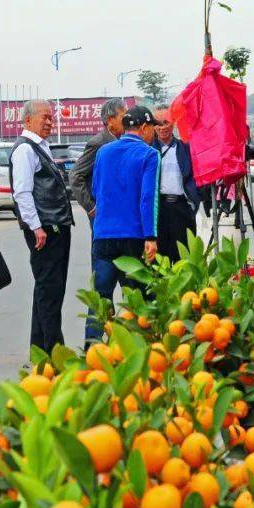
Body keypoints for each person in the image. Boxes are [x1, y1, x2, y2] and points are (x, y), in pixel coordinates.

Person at [86, 106, 160, 341]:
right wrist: (151, 236)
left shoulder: (104, 152)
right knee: (136, 300)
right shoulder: (149, 154)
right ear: (145, 128)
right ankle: (135, 349)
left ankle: (92, 351)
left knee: (100, 299)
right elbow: (149, 198)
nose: (154, 134)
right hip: (133, 237)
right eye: (153, 129)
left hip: (103, 236)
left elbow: (96, 189)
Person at [10, 100, 74, 353]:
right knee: (50, 293)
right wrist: (36, 227)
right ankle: (53, 352)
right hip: (46, 229)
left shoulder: (40, 146)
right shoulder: (25, 150)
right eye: (44, 118)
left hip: (54, 225)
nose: (50, 122)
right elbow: (22, 193)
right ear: (27, 121)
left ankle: (40, 349)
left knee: (47, 290)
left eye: (51, 117)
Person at [152, 106, 200, 262]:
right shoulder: (149, 150)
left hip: (182, 209)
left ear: (172, 123)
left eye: (165, 122)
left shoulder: (185, 148)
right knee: (161, 261)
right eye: (158, 123)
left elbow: (196, 176)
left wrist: (193, 202)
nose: (162, 127)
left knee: (184, 258)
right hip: (159, 211)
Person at [71, 98, 126, 223]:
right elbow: (75, 175)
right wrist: (90, 207)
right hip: (104, 212)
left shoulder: (122, 140)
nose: (127, 121)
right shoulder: (98, 143)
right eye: (123, 117)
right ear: (110, 120)